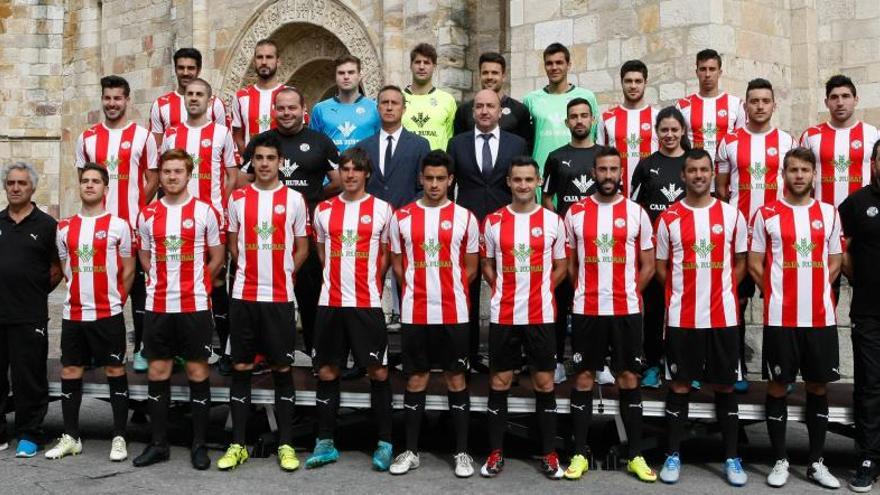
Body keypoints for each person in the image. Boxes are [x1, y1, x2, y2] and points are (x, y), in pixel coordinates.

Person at [748, 147, 842, 489]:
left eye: (804, 170)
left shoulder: (829, 213)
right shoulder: (766, 214)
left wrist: (816, 287)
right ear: (782, 175)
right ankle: (779, 460)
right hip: (780, 318)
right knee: (778, 386)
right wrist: (774, 291)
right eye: (792, 170)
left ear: (814, 174)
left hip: (819, 318)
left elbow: (834, 260)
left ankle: (816, 461)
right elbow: (755, 262)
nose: (799, 175)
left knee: (817, 386)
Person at [654, 149, 748, 487]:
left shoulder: (731, 215)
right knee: (680, 385)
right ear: (683, 175)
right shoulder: (668, 218)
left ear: (712, 173)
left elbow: (739, 262)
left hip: (722, 316)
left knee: (724, 385)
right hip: (683, 317)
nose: (698, 175)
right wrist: (685, 292)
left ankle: (732, 458)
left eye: (704, 170)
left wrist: (719, 289)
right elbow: (662, 268)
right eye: (692, 170)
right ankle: (673, 454)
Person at [562, 146, 656, 482]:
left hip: (626, 310)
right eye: (602, 170)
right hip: (587, 309)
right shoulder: (575, 213)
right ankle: (579, 453)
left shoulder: (636, 213)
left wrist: (629, 290)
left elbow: (648, 264)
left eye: (613, 170)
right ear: (593, 172)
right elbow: (571, 265)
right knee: (584, 377)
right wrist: (586, 290)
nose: (607, 176)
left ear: (621, 173)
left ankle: (635, 456)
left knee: (628, 378)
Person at [216, 133, 310, 472]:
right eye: (259, 158)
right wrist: (250, 270)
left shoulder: (295, 200)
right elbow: (233, 245)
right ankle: (237, 444)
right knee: (241, 368)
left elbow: (302, 248)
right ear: (252, 162)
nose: (265, 164)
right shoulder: (239, 199)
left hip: (279, 298)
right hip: (244, 297)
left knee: (282, 369)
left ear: (281, 162)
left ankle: (285, 444)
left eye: (271, 158)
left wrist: (284, 272)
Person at [387, 151, 480, 478]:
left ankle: (462, 452)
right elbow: (398, 266)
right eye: (429, 178)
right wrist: (419, 288)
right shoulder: (402, 217)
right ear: (420, 179)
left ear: (451, 180)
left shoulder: (465, 217)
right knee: (416, 378)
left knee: (456, 378)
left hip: (453, 311)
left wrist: (445, 288)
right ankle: (410, 450)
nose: (435, 184)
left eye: (441, 178)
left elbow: (470, 269)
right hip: (416, 311)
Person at [131, 149, 225, 470]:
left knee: (198, 372)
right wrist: (160, 279)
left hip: (195, 306)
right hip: (158, 306)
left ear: (189, 174)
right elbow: (144, 257)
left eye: (178, 172)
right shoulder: (148, 214)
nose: (171, 177)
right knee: (158, 372)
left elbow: (217, 257)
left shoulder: (205, 212)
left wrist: (198, 281)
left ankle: (199, 446)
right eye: (167, 172)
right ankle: (159, 444)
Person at [305, 147, 395, 471]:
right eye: (345, 169)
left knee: (378, 371)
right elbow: (321, 251)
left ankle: (384, 441)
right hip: (331, 302)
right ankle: (325, 441)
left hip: (366, 302)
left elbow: (385, 255)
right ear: (340, 173)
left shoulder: (384, 210)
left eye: (357, 169)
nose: (351, 174)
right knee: (327, 371)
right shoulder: (324, 211)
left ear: (367, 173)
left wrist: (371, 282)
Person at [479, 156, 568, 479]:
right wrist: (500, 285)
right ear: (508, 182)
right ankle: (495, 452)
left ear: (539, 181)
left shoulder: (552, 221)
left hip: (541, 314)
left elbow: (562, 266)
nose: (523, 185)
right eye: (517, 180)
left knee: (544, 383)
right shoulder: (493, 221)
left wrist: (541, 287)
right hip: (504, 314)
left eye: (529, 180)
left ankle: (549, 453)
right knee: (499, 382)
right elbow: (487, 263)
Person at [240, 87, 341, 357]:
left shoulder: (320, 141)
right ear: (274, 110)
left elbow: (339, 180)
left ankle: (315, 352)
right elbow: (243, 181)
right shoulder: (261, 142)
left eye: (292, 108)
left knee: (309, 297)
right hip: (264, 235)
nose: (286, 113)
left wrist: (313, 196)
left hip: (304, 234)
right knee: (264, 298)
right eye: (281, 108)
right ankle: (263, 356)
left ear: (303, 109)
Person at [46, 164, 135, 462]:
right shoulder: (64, 227)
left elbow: (129, 270)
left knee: (115, 371)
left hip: (107, 313)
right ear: (79, 187)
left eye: (96, 181)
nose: (89, 185)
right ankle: (71, 437)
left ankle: (119, 436)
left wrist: (116, 301)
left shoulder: (119, 225)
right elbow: (64, 267)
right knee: (71, 371)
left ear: (105, 189)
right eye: (85, 180)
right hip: (74, 314)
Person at [715, 78, 795, 393]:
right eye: (754, 101)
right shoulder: (730, 141)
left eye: (765, 100)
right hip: (741, 240)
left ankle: (781, 372)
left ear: (774, 105)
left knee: (780, 303)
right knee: (736, 301)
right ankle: (736, 367)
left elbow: (795, 188)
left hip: (777, 238)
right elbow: (722, 189)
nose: (759, 106)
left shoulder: (788, 141)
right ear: (745, 106)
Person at [75, 75, 158, 372]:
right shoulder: (87, 138)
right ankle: (102, 350)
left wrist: (137, 209)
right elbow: (84, 179)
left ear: (127, 99)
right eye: (107, 98)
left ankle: (142, 348)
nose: (112, 104)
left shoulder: (143, 136)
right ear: (103, 100)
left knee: (138, 287)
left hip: (133, 228)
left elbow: (153, 177)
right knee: (99, 285)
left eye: (117, 98)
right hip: (98, 230)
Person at [448, 89, 528, 373]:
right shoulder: (456, 144)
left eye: (490, 106)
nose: (484, 111)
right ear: (472, 112)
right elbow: (450, 185)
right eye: (479, 106)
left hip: (504, 227)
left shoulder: (517, 143)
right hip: (467, 226)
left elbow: (522, 184)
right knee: (465, 291)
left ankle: (508, 358)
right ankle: (465, 357)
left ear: (499, 111)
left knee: (508, 290)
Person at [161, 77, 238, 364]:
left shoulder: (221, 133)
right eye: (190, 94)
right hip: (178, 221)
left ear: (209, 100)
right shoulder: (172, 135)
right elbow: (164, 174)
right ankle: (182, 348)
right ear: (184, 98)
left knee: (215, 280)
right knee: (179, 278)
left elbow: (231, 174)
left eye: (199, 94)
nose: (194, 98)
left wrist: (218, 205)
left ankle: (226, 348)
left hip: (212, 218)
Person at [0, 162, 62, 458]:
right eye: (10, 183)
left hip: (29, 315)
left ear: (32, 187)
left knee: (29, 378)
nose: (15, 188)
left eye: (21, 183)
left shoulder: (47, 225)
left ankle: (30, 433)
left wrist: (36, 289)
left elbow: (58, 267)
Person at [629, 106, 689, 388]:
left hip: (688, 252)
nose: (669, 135)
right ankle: (652, 364)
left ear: (683, 131)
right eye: (664, 130)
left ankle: (687, 366)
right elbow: (635, 209)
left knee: (686, 310)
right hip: (655, 253)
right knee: (653, 309)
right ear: (656, 132)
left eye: (674, 129)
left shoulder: (693, 161)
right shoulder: (645, 165)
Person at [541, 97, 599, 384]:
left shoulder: (604, 156)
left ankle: (596, 361)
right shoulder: (555, 156)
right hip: (564, 246)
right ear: (567, 122)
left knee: (593, 305)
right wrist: (559, 226)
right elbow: (547, 197)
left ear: (592, 120)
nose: (579, 121)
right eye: (573, 116)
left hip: (596, 246)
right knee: (560, 301)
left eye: (584, 115)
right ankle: (557, 361)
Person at [838, 139, 880, 493]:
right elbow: (843, 252)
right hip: (869, 311)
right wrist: (860, 279)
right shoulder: (856, 203)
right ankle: (867, 458)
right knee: (870, 385)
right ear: (873, 163)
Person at [523, 42, 599, 198]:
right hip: (542, 175)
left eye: (559, 62)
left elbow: (595, 135)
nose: (554, 67)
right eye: (549, 63)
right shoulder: (531, 99)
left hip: (578, 172)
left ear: (568, 65)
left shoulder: (587, 96)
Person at [800, 74, 880, 210]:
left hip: (862, 215)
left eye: (846, 96)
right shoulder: (811, 135)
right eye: (834, 97)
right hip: (821, 217)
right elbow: (800, 177)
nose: (840, 102)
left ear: (856, 100)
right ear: (826, 102)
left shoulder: (873, 133)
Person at [356, 85, 430, 209]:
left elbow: (424, 187)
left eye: (394, 103)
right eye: (385, 103)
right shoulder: (363, 147)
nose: (389, 108)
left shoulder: (420, 145)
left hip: (407, 219)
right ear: (378, 108)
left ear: (404, 109)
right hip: (370, 219)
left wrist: (407, 213)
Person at [595, 59, 658, 197]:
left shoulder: (657, 117)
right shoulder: (606, 118)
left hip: (651, 194)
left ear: (645, 83)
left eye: (638, 81)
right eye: (628, 81)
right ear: (622, 82)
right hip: (615, 196)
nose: (633, 86)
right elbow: (599, 156)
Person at [149, 47, 228, 148]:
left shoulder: (215, 103)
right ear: (175, 70)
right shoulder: (160, 105)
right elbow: (156, 147)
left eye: (190, 68)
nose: (185, 73)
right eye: (181, 68)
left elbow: (225, 143)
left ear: (198, 70)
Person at [675, 49, 745, 162]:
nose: (707, 74)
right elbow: (677, 144)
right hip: (694, 172)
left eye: (712, 69)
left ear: (720, 72)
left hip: (725, 173)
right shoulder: (682, 105)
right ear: (696, 72)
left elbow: (742, 142)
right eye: (703, 69)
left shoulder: (736, 104)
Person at [454, 52, 532, 146]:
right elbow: (458, 146)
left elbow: (525, 148)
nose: (489, 77)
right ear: (479, 75)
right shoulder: (464, 111)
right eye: (485, 73)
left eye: (495, 73)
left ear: (503, 76)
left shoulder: (519, 110)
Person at [309, 55, 380, 153]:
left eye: (351, 72)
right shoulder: (320, 109)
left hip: (366, 167)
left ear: (360, 76)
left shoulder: (375, 108)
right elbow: (313, 146)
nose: (346, 77)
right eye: (341, 73)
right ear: (335, 76)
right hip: (332, 167)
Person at [231, 39, 288, 152]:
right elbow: (237, 135)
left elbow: (301, 130)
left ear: (278, 61)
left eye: (269, 57)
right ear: (254, 62)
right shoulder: (241, 97)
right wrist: (247, 159)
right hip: (251, 166)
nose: (264, 62)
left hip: (284, 165)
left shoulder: (290, 94)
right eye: (259, 57)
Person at [402, 43, 457, 151]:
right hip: (405, 164)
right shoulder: (398, 99)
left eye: (426, 63)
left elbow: (451, 138)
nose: (421, 67)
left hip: (436, 165)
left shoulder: (447, 100)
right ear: (411, 65)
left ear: (434, 67)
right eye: (417, 62)